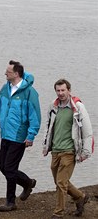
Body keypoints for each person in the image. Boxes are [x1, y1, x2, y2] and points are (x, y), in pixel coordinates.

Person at [0, 60, 41, 212]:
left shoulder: (30, 92)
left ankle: (11, 202)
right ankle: (27, 182)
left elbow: (35, 116)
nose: (5, 73)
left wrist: (31, 136)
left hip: (19, 137)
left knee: (10, 168)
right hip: (5, 135)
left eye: (8, 72)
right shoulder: (5, 89)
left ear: (16, 74)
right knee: (3, 167)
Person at [43, 79, 94, 218]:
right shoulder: (53, 107)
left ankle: (58, 213)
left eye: (63, 90)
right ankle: (81, 197)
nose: (60, 93)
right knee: (60, 181)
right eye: (58, 91)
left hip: (69, 151)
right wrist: (46, 146)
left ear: (69, 90)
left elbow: (88, 131)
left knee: (60, 183)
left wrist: (85, 152)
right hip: (55, 150)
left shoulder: (77, 107)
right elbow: (48, 127)